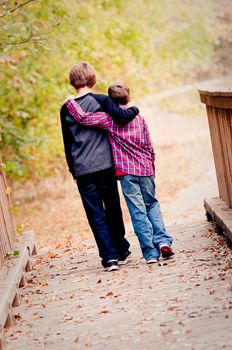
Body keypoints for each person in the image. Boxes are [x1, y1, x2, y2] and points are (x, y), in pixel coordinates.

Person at [65, 82, 174, 264]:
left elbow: (82, 118)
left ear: (110, 102)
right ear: (129, 97)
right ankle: (162, 240)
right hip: (145, 169)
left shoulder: (107, 119)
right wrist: (151, 166)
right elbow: (149, 145)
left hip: (126, 173)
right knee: (152, 204)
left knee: (137, 211)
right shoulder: (139, 118)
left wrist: (70, 102)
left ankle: (150, 254)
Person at [60, 63, 139, 271]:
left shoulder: (66, 108)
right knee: (112, 207)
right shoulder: (102, 100)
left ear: (73, 82)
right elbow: (122, 118)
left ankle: (109, 257)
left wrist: (72, 170)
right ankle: (121, 250)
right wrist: (135, 107)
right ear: (92, 79)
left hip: (82, 168)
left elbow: (67, 143)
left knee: (95, 213)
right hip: (105, 165)